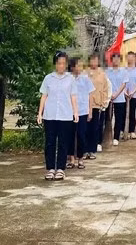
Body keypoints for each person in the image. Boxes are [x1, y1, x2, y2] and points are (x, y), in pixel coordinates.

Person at [37, 51, 79, 181]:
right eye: (59, 63)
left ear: (66, 65)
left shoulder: (70, 79)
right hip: (50, 116)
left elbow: (73, 96)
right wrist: (40, 113)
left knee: (63, 143)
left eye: (63, 63)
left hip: (65, 115)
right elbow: (44, 96)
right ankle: (50, 169)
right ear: (55, 64)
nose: (61, 66)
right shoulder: (48, 78)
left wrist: (75, 112)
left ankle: (60, 169)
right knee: (50, 143)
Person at [66, 57, 94, 170]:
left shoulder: (85, 79)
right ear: (72, 67)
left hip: (82, 111)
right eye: (78, 65)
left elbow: (91, 95)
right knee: (70, 135)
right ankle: (71, 159)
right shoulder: (67, 79)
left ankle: (80, 158)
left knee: (81, 135)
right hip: (70, 111)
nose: (80, 68)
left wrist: (90, 111)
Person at [86, 53, 112, 156]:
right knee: (85, 129)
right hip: (86, 106)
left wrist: (104, 102)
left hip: (97, 105)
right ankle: (84, 150)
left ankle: (92, 149)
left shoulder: (102, 74)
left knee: (95, 127)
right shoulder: (85, 73)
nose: (94, 63)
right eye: (92, 60)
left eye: (96, 60)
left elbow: (106, 89)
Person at [106, 52, 128, 146]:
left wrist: (116, 94)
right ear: (111, 60)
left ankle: (116, 137)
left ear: (120, 60)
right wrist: (110, 95)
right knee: (107, 118)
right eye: (114, 58)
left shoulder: (124, 71)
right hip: (108, 98)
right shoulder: (107, 71)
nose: (116, 60)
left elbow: (123, 84)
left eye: (118, 59)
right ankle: (106, 137)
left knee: (118, 118)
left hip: (119, 98)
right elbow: (105, 84)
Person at [124, 51, 136, 139]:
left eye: (132, 57)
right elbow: (121, 82)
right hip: (123, 95)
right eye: (129, 57)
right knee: (123, 113)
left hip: (133, 94)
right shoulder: (123, 70)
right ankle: (123, 130)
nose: (130, 59)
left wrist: (133, 91)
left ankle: (132, 131)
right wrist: (124, 91)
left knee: (132, 113)